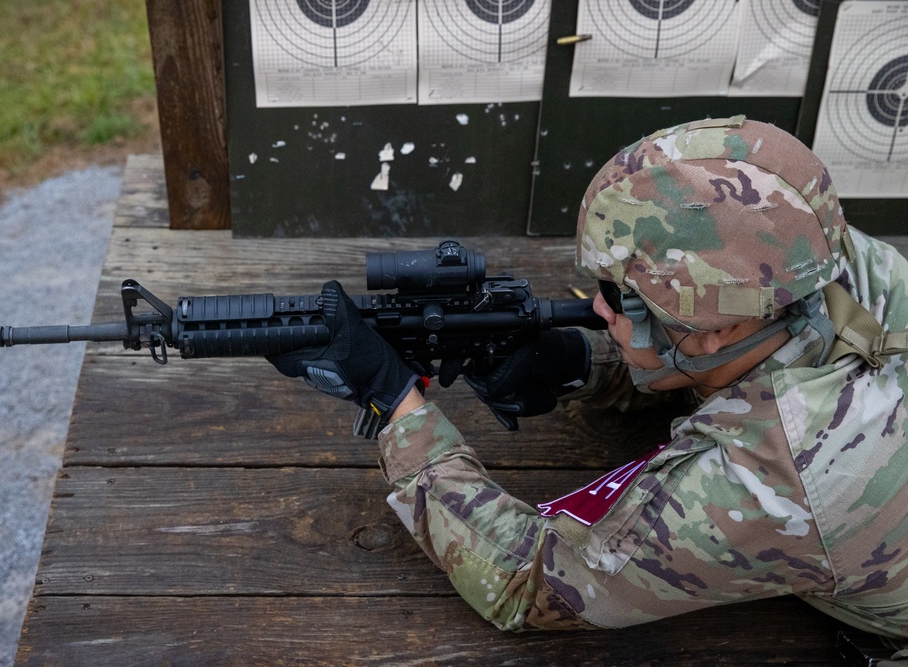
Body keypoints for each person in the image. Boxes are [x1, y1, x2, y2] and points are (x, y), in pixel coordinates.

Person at [266, 116, 908, 639]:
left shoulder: (772, 481)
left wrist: (396, 402)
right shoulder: (812, 251)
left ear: (713, 331)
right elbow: (735, 353)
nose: (599, 307)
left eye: (621, 298)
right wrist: (585, 367)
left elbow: (529, 584)